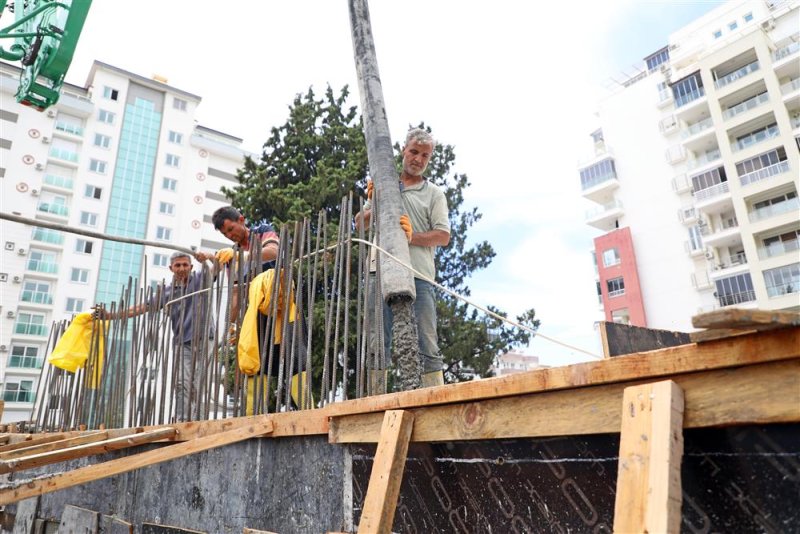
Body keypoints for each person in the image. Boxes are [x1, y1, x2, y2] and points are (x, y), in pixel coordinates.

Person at [355, 128, 451, 388]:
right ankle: (376, 398)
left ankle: (435, 397)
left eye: (425, 155)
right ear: (403, 151)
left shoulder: (434, 194)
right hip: (380, 270)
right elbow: (359, 225)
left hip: (418, 274)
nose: (418, 159)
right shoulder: (385, 186)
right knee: (376, 341)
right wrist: (374, 201)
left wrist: (412, 237)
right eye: (414, 152)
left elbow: (443, 236)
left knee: (426, 341)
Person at [95, 252, 215, 422]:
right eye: (177, 265)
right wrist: (111, 315)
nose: (181, 269)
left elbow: (220, 266)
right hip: (182, 342)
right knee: (182, 383)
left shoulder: (200, 279)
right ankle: (182, 420)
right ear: (171, 268)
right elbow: (140, 308)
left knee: (199, 384)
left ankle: (199, 421)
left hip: (204, 338)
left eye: (185, 265)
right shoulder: (166, 292)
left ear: (191, 266)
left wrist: (209, 257)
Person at [195, 206, 279, 271]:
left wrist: (241, 256)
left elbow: (274, 251)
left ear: (241, 220)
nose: (229, 236)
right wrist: (210, 257)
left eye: (231, 229)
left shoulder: (262, 232)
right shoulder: (232, 253)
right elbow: (233, 287)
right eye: (224, 234)